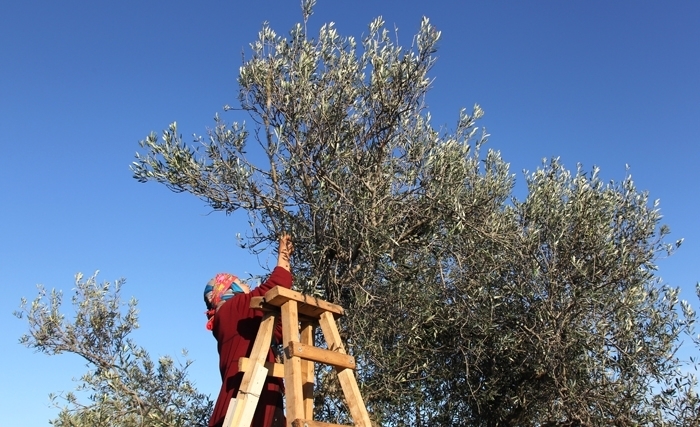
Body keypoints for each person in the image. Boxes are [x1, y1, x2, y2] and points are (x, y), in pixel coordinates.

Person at [204, 233, 294, 427]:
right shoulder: (232, 308)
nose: (249, 286)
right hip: (246, 406)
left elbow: (277, 332)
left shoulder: (236, 319)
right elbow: (276, 286)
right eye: (243, 283)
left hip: (248, 404)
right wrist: (283, 256)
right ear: (230, 289)